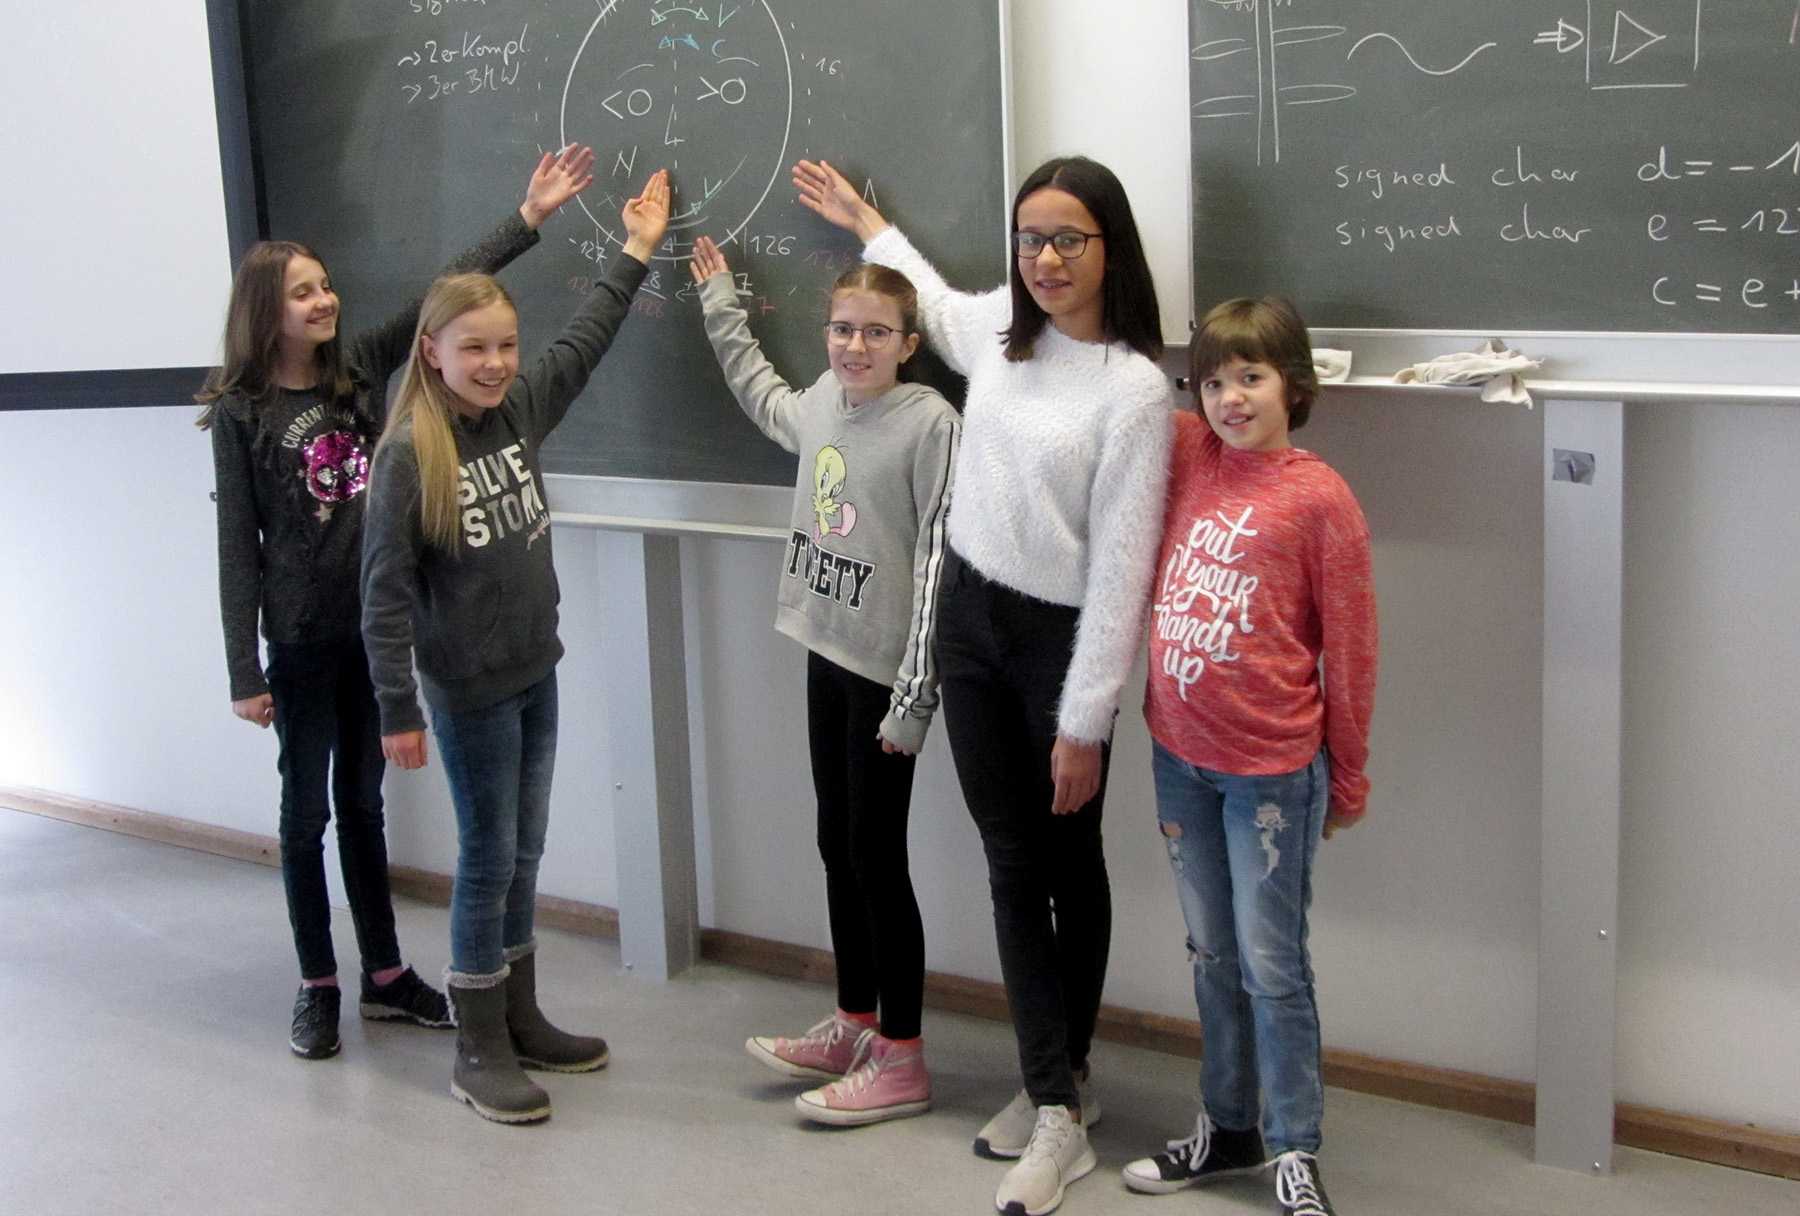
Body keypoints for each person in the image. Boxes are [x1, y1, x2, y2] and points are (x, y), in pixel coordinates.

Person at [794, 156, 1173, 1216]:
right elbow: (930, 288)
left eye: (1069, 240)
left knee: (1069, 859)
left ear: (1111, 250)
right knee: (1013, 865)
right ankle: (1052, 1095)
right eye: (1030, 239)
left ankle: (1069, 1086)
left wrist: (1086, 720)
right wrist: (868, 219)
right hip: (967, 622)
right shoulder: (1000, 337)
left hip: (1059, 645)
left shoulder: (1136, 389)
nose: (1045, 259)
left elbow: (1123, 567)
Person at [199, 145, 598, 1061]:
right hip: (301, 641)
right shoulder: (243, 413)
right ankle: (317, 983)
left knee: (367, 811)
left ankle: (383, 975)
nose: (325, 301)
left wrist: (526, 221)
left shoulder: (357, 373)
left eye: (326, 286)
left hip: (374, 638)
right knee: (307, 817)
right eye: (303, 293)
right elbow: (236, 549)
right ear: (267, 310)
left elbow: (444, 297)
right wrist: (242, 668)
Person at [360, 169, 670, 1125]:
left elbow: (585, 341)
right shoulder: (411, 453)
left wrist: (634, 253)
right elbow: (382, 594)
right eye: (475, 348)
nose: (496, 362)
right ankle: (477, 1044)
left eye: (506, 346)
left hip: (538, 670)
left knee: (525, 850)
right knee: (489, 855)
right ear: (433, 352)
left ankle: (522, 1016)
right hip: (467, 690)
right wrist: (398, 710)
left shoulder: (519, 411)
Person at [687, 236, 960, 1126]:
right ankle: (855, 1018)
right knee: (836, 844)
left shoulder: (928, 425)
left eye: (875, 332)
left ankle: (904, 1059)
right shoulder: (820, 405)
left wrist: (915, 701)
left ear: (908, 342)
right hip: (823, 651)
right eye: (842, 329)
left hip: (886, 677)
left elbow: (935, 568)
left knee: (879, 860)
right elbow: (759, 389)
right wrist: (721, 301)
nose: (854, 346)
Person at [1122, 297, 1377, 1216]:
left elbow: (1349, 648)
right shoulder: (1193, 456)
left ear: (1294, 385)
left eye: (1253, 378)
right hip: (1178, 761)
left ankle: (1293, 1147)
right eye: (1214, 380)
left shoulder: (1319, 498)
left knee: (1274, 966)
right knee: (1210, 955)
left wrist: (1347, 776)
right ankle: (1227, 1126)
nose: (1230, 397)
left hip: (1270, 777)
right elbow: (1130, 363)